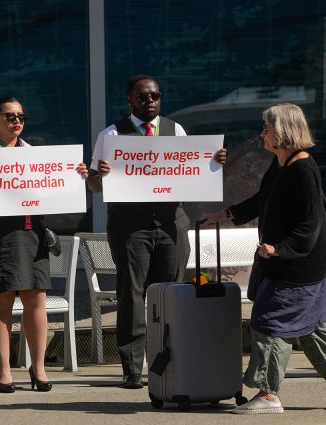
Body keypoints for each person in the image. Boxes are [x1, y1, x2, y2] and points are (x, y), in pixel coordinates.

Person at [202, 103, 326, 414]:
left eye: (266, 128)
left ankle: (268, 395)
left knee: (270, 320)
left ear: (282, 131)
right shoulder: (282, 163)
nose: (262, 134)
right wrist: (225, 214)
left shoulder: (302, 169)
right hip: (294, 265)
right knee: (314, 327)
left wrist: (280, 249)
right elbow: (261, 200)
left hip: (298, 267)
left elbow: (311, 224)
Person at [86, 74, 227, 389]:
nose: (150, 102)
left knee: (170, 294)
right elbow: (93, 183)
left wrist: (213, 162)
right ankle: (132, 368)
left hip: (170, 222)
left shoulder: (175, 130)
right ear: (130, 100)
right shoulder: (111, 134)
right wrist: (102, 176)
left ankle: (169, 361)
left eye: (155, 96)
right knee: (132, 295)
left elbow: (190, 167)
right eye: (143, 97)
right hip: (130, 224)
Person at [0, 96, 87, 393]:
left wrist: (75, 176)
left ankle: (38, 367)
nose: (17, 121)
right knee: (2, 300)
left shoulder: (35, 154)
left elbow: (58, 189)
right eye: (9, 116)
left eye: (21, 116)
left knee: (35, 298)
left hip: (31, 232)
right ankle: (3, 369)